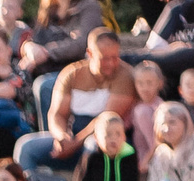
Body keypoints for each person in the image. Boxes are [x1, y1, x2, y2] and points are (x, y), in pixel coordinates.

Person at [18, 32, 132, 172]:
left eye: (115, 57)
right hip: (73, 135)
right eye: (104, 58)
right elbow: (57, 114)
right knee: (26, 148)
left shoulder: (125, 75)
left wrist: (75, 143)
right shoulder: (72, 74)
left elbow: (106, 119)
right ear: (90, 53)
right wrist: (62, 137)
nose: (111, 63)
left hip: (104, 138)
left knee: (93, 146)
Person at [19, 0, 103, 97]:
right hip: (47, 69)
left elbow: (82, 43)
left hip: (78, 69)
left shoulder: (89, 7)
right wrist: (28, 47)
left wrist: (47, 52)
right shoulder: (47, 10)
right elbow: (33, 39)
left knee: (44, 85)